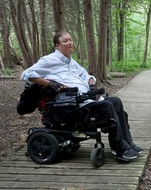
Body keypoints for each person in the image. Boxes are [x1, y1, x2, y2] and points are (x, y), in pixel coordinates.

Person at [20, 31, 142, 161]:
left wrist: (91, 83)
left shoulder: (71, 62)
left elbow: (86, 75)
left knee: (116, 101)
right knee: (107, 105)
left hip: (84, 100)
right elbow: (26, 74)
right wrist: (50, 83)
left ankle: (128, 143)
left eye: (70, 40)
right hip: (69, 105)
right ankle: (120, 148)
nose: (69, 43)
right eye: (65, 41)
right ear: (57, 45)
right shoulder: (49, 60)